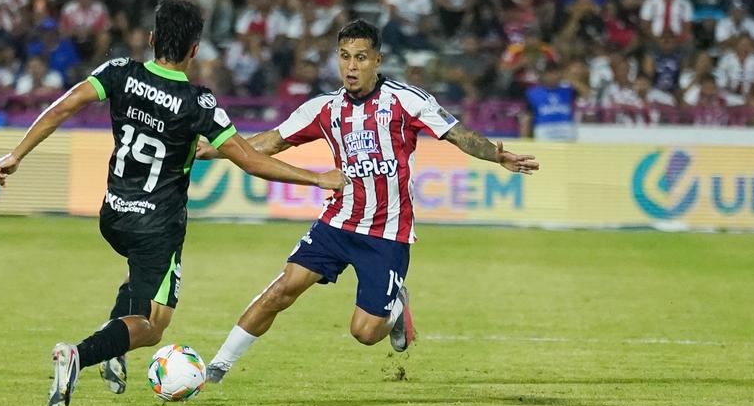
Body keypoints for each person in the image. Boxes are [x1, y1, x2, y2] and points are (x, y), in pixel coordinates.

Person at [0, 0, 348, 406]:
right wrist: (318, 177)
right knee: (152, 326)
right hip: (156, 227)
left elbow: (66, 104)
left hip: (113, 213)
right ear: (195, 49)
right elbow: (250, 160)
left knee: (136, 282)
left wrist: (16, 154)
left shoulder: (119, 71)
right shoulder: (198, 104)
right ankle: (80, 356)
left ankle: (114, 351)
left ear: (152, 38)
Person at [198, 19, 539, 382]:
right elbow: (273, 141)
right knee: (283, 288)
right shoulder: (324, 109)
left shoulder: (406, 100)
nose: (351, 66)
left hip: (387, 233)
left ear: (377, 59)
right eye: (345, 57)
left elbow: (457, 134)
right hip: (338, 221)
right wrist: (220, 149)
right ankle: (216, 368)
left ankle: (395, 310)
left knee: (363, 331)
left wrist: (495, 155)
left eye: (361, 57)